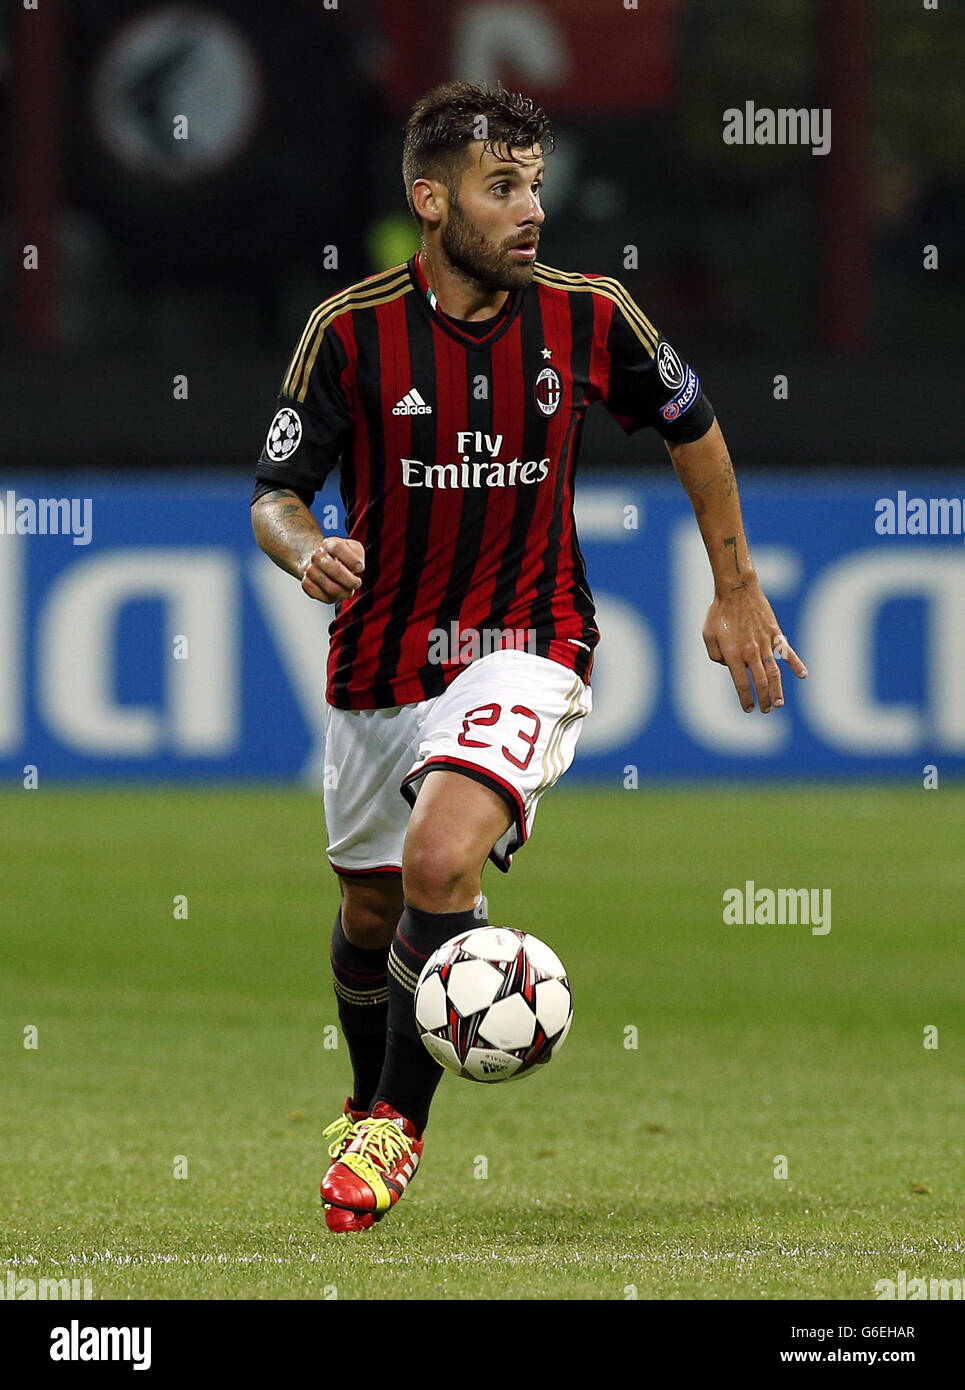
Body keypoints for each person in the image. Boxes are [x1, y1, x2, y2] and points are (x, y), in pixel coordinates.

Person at [250, 81, 807, 1233]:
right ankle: (368, 1097)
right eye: (501, 188)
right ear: (430, 199)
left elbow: (689, 427)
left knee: (439, 858)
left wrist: (736, 585)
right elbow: (275, 495)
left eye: (534, 186)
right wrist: (305, 551)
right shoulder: (348, 329)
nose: (528, 210)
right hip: (378, 663)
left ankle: (397, 1127)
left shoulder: (591, 314)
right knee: (370, 912)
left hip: (528, 641)